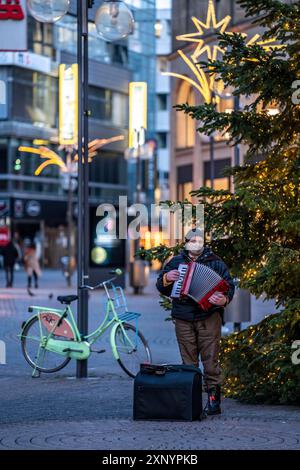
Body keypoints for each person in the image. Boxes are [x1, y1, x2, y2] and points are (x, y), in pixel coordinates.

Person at [156, 228, 235, 415]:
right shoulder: (175, 262)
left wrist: (224, 299)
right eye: (192, 240)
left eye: (199, 240)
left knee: (210, 361)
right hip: (183, 317)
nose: (195, 244)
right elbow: (160, 285)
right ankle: (191, 401)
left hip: (209, 317)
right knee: (188, 362)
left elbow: (229, 286)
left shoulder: (215, 262)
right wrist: (167, 278)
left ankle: (214, 402)